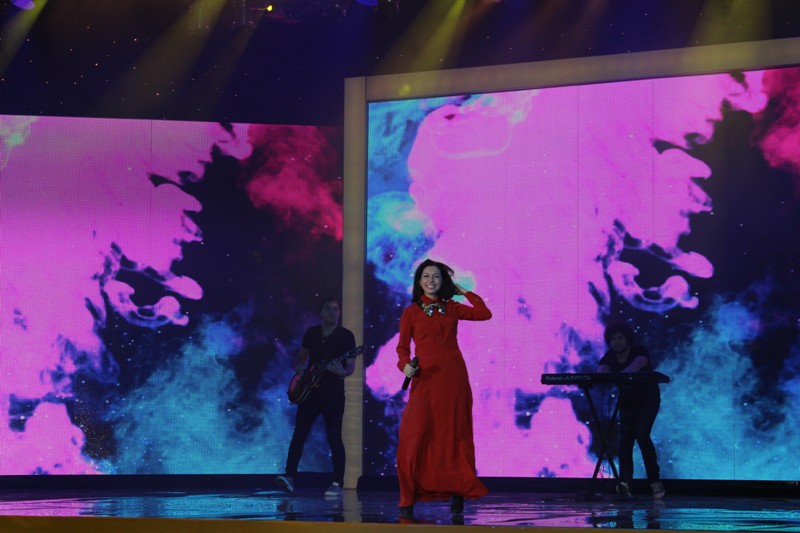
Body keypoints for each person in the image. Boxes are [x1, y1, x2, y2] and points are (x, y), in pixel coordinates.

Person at [396, 259, 492, 517]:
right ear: (419, 281)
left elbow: (484, 313)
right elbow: (402, 348)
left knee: (455, 432)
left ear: (443, 281)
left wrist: (463, 291)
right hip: (425, 378)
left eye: (436, 277)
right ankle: (408, 497)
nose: (431, 281)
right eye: (426, 276)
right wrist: (405, 366)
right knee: (415, 434)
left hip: (454, 377)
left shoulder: (452, 308)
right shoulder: (410, 313)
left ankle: (457, 492)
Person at [276, 297, 357, 497]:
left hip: (333, 394)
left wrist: (342, 372)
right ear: (320, 313)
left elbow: (350, 366)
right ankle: (289, 476)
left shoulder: (346, 336)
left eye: (336, 309)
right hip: (310, 392)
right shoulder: (312, 333)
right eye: (328, 309)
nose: (332, 312)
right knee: (299, 434)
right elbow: (301, 357)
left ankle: (337, 482)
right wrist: (299, 368)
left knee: (334, 436)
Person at [597, 322, 665, 499]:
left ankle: (655, 482)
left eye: (620, 338)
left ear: (627, 339)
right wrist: (602, 371)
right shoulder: (609, 356)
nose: (617, 342)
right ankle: (625, 483)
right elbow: (602, 370)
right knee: (626, 440)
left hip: (648, 400)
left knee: (642, 435)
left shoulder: (639, 352)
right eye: (613, 339)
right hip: (627, 401)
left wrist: (614, 375)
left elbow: (634, 367)